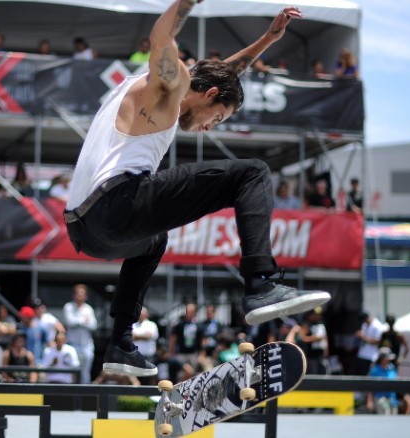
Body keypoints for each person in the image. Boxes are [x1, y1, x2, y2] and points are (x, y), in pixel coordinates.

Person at [63, 0, 329, 377]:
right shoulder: (168, 89)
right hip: (117, 203)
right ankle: (260, 283)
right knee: (252, 173)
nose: (208, 127)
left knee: (154, 242)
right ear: (208, 95)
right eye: (216, 117)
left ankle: (120, 343)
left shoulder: (156, 88)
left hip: (86, 229)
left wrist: (267, 40)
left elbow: (223, 73)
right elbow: (161, 38)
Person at [63, 284, 97, 384]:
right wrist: (84, 321)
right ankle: (71, 394)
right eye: (78, 294)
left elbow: (93, 325)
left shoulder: (89, 309)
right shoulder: (68, 306)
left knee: (86, 372)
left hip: (87, 345)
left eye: (82, 294)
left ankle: (85, 394)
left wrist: (80, 322)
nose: (80, 296)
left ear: (85, 296)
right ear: (74, 295)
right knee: (72, 371)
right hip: (72, 344)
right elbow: (70, 322)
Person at [367, 347, 410, 415]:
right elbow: (370, 386)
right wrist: (369, 401)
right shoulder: (375, 370)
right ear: (382, 359)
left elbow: (397, 383)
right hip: (381, 398)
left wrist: (405, 396)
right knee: (386, 411)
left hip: (392, 399)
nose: (388, 360)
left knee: (394, 415)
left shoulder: (392, 368)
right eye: (386, 358)